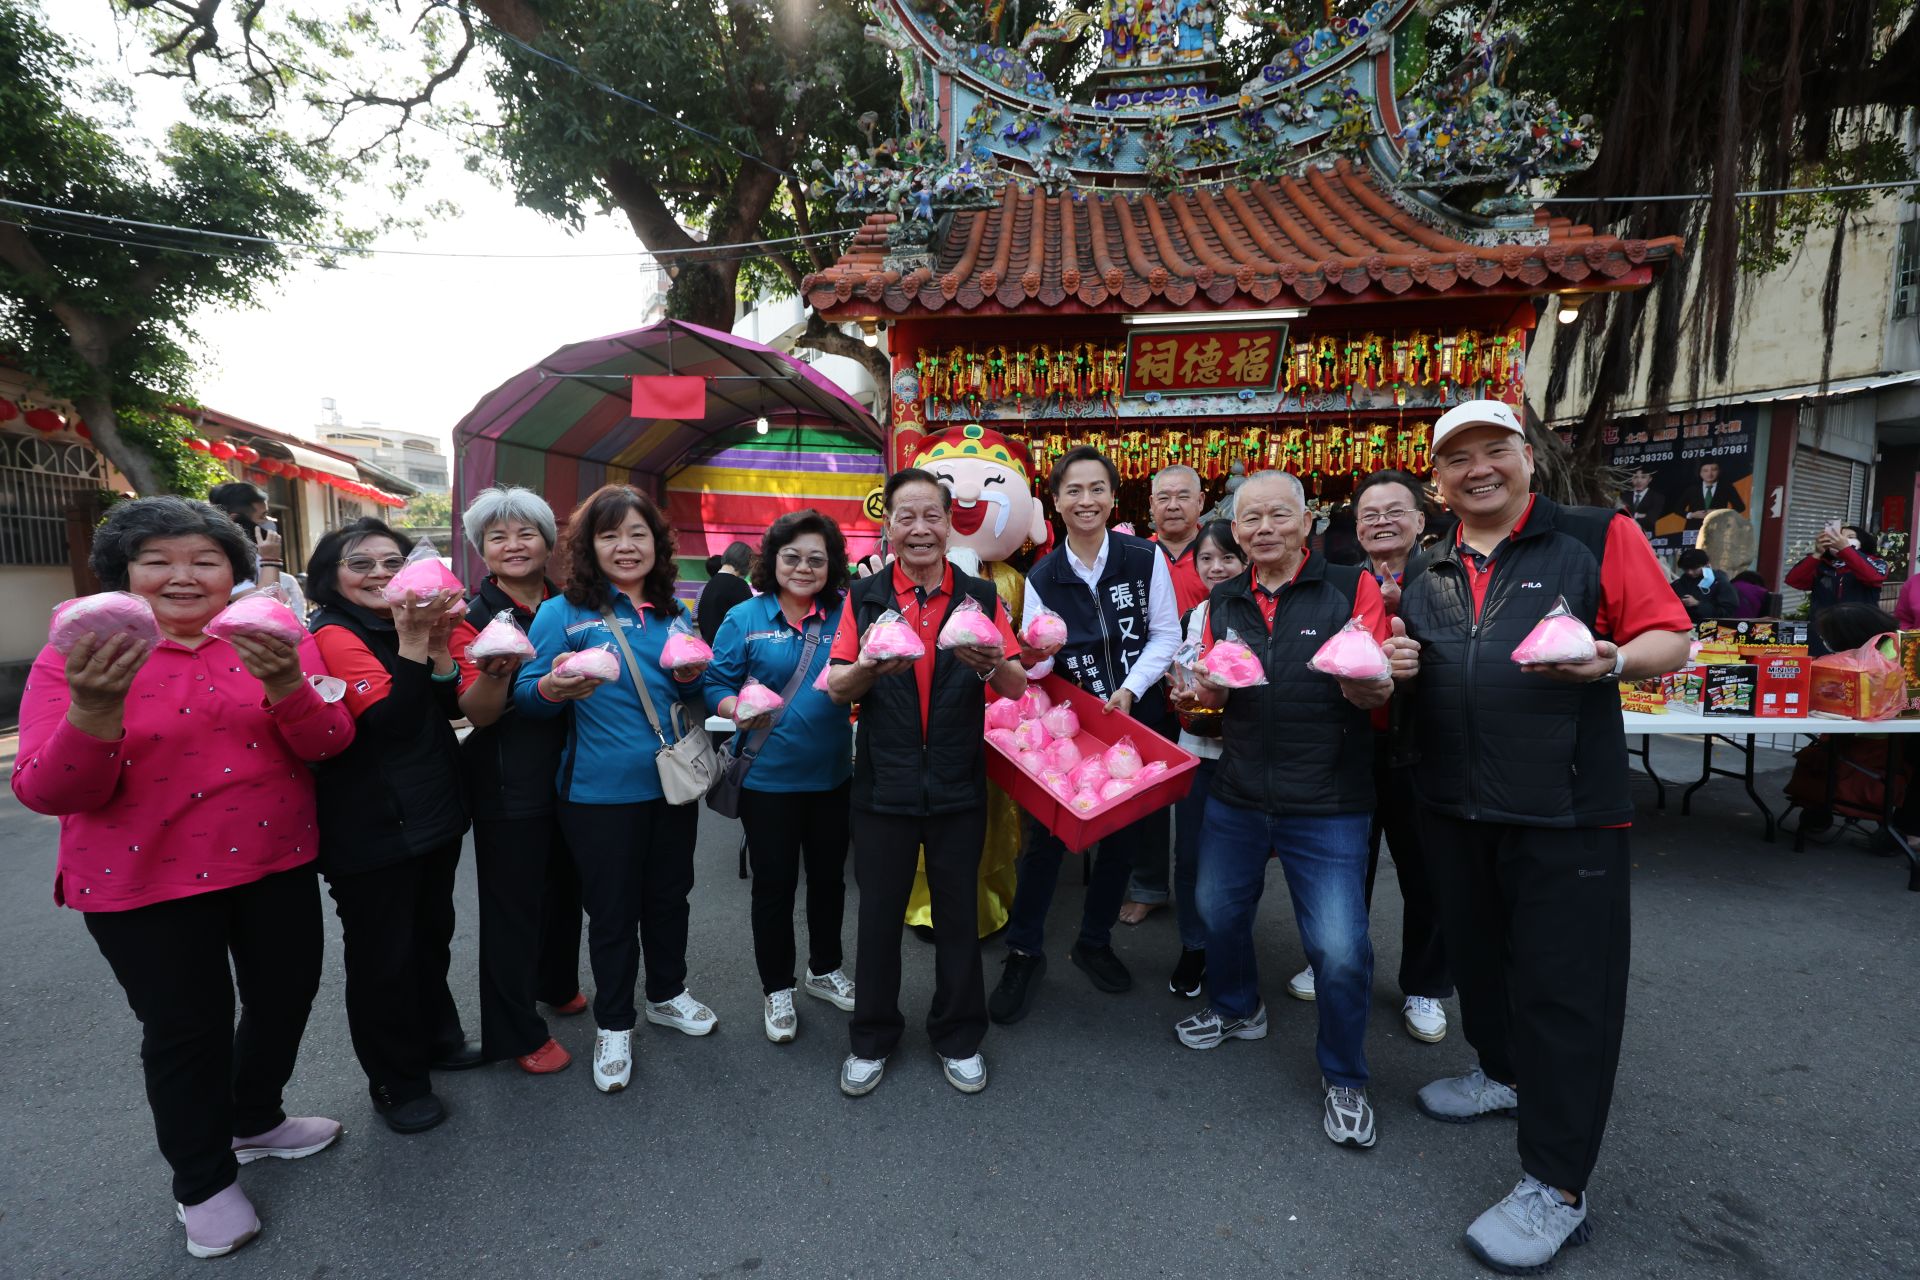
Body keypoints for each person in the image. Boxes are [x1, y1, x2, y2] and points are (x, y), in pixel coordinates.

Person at [12, 497, 352, 1259]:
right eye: (157, 560)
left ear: (234, 572)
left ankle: (256, 1119)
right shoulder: (80, 653)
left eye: (205, 560)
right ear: (123, 574)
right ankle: (202, 1181)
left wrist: (288, 685)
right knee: (185, 1030)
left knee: (284, 997)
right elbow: (47, 790)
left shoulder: (277, 636)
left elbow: (329, 743)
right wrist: (96, 709)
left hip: (274, 861)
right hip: (143, 880)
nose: (182, 576)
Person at [1396, 400, 1692, 1274]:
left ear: (1526, 458)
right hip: (1454, 804)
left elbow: (1671, 637)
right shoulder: (1429, 564)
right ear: (1438, 479)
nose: (1477, 469)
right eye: (1458, 459)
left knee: (1568, 996)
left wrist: (1611, 659)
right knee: (1480, 961)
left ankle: (1556, 1187)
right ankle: (1501, 1072)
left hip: (1567, 812)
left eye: (1494, 451)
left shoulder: (1597, 537)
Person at [1171, 470, 1413, 1154]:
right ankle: (1237, 1007)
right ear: (1236, 531)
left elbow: (1376, 691)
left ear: (1308, 522)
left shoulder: (1349, 588)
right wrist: (1196, 695)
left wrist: (1370, 687)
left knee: (1339, 949)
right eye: (1251, 520)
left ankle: (1345, 1077)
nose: (1264, 529)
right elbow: (1207, 704)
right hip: (1239, 789)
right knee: (1217, 912)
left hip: (1329, 800)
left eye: (1280, 515)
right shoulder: (1222, 602)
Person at [827, 468, 1027, 1097]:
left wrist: (992, 662)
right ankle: (872, 1037)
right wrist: (866, 669)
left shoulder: (981, 598)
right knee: (880, 918)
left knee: (958, 918)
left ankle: (960, 1035)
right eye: (904, 516)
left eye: (930, 516)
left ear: (948, 524)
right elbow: (835, 687)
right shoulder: (863, 600)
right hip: (882, 787)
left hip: (957, 784)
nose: (919, 528)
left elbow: (1017, 685)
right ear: (886, 525)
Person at [513, 485, 716, 1095]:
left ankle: (667, 993)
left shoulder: (675, 612)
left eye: (637, 534)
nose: (625, 547)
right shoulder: (563, 613)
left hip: (668, 784)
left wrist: (693, 682)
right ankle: (614, 1023)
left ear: (657, 542)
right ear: (588, 546)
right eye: (609, 535)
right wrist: (553, 688)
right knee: (611, 910)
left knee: (669, 897)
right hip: (597, 793)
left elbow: (690, 699)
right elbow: (526, 695)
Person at [989, 445, 1180, 1023]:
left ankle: (1093, 941)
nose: (1086, 500)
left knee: (1120, 839)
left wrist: (1130, 688)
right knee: (1044, 840)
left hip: (1134, 715)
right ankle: (1024, 950)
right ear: (1055, 500)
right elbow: (1039, 664)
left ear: (1112, 496)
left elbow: (1166, 634)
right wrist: (1035, 655)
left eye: (1097, 488)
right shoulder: (1043, 575)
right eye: (1073, 490)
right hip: (1068, 723)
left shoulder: (1144, 558)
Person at [308, 519, 475, 1135]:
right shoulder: (332, 634)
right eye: (361, 564)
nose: (380, 574)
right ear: (330, 578)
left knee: (431, 936)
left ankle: (438, 1039)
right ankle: (395, 1081)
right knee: (384, 959)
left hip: (431, 814)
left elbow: (445, 706)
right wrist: (413, 640)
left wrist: (436, 649)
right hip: (371, 826)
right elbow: (392, 724)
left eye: (392, 561)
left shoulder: (397, 625)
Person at [1282, 469, 1454, 1046]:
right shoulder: (1342, 585)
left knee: (1423, 869)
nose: (1382, 522)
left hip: (1421, 750)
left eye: (1394, 511)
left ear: (1421, 520)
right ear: (1355, 529)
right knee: (1342, 866)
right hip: (1352, 747)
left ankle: (1425, 982)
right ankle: (1330, 957)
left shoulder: (1447, 578)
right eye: (1370, 515)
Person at [705, 509, 857, 1044]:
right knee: (773, 886)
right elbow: (713, 683)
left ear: (831, 565)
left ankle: (824, 968)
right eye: (792, 557)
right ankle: (777, 988)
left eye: (816, 559)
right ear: (773, 561)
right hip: (766, 781)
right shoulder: (745, 618)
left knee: (830, 880)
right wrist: (732, 705)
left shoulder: (847, 613)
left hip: (834, 775)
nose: (803, 567)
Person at [449, 486, 585, 1077]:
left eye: (525, 533)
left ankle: (554, 981)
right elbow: (473, 711)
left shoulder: (572, 603)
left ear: (548, 542)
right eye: (497, 536)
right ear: (481, 549)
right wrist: (500, 674)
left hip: (578, 771)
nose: (513, 545)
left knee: (565, 889)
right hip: (508, 778)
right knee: (512, 908)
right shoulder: (467, 616)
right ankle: (514, 1031)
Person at [1120, 463, 1210, 926]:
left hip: (1208, 691)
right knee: (1149, 789)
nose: (1172, 505)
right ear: (1150, 506)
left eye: (1183, 496)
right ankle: (1149, 884)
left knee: (1204, 795)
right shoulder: (1134, 554)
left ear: (1201, 502)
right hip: (1146, 687)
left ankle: (1204, 890)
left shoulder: (1219, 552)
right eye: (1163, 497)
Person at [1162, 520, 1245, 999]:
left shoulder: (1260, 612)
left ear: (1245, 560)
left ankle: (1228, 949)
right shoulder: (1195, 615)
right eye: (1206, 559)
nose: (1216, 568)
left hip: (1244, 755)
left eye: (1226, 558)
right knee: (1189, 855)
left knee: (1236, 863)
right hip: (1197, 750)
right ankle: (1194, 945)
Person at [1785, 524, 1888, 655]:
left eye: (1850, 537)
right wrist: (1817, 553)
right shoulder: (1822, 564)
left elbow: (1874, 577)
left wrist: (1846, 550)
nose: (1840, 540)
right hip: (1823, 632)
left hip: (1860, 632)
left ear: (1863, 542)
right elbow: (1794, 580)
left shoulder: (1877, 563)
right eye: (1836, 537)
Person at [207, 481, 286, 595]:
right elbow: (263, 602)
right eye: (262, 516)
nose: (268, 522)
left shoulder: (254, 552)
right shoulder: (221, 556)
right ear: (235, 520)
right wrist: (270, 560)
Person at [697, 540, 755, 643]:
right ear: (745, 561)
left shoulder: (710, 584)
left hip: (711, 649)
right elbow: (751, 622)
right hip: (730, 650)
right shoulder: (739, 585)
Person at [1670, 547, 1740, 623]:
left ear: (1706, 565)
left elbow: (1727, 613)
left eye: (1694, 568)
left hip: (1710, 629)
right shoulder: (1678, 584)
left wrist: (1698, 604)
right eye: (1686, 569)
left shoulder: (1721, 583)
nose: (1690, 572)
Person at [1679, 460, 1746, 520]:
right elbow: (1678, 508)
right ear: (1700, 473)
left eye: (1714, 470)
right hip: (1693, 529)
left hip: (1718, 528)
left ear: (1719, 471)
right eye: (1705, 471)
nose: (1710, 474)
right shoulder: (1691, 489)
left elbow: (1740, 507)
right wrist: (1691, 515)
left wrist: (1720, 513)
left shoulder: (1727, 488)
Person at [1616, 468, 1665, 539]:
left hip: (1647, 538)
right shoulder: (1624, 497)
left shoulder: (1657, 497)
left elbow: (1650, 520)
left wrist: (1629, 515)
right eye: (1636, 477)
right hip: (1625, 537)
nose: (1639, 481)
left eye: (1643, 477)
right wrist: (1638, 515)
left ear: (1650, 479)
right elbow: (1619, 518)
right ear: (1631, 479)